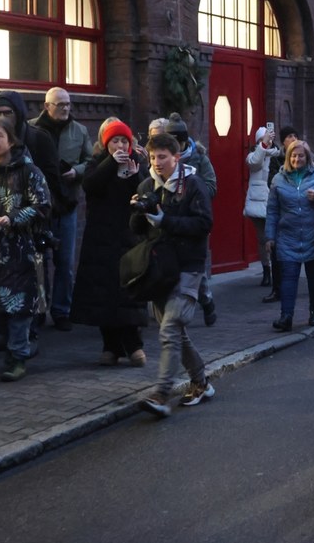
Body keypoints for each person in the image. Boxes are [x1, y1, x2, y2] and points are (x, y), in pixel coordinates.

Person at [132, 132, 215, 417]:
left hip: (188, 267)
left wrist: (166, 220)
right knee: (175, 330)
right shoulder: (147, 185)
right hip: (158, 270)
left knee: (169, 329)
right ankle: (201, 382)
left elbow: (204, 224)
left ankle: (161, 394)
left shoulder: (193, 185)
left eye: (162, 157)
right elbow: (137, 230)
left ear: (176, 157)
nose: (156, 163)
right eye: (153, 157)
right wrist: (137, 211)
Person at [0, 115, 52, 382]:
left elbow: (42, 207)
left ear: (11, 139)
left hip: (21, 250)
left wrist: (14, 218)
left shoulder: (29, 171)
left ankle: (17, 358)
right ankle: (23, 341)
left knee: (19, 307)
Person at [70, 119, 149, 366]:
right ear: (106, 143)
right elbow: (90, 185)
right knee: (103, 293)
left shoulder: (137, 163)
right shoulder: (97, 164)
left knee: (128, 291)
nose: (120, 145)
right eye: (115, 140)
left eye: (124, 140)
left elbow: (146, 194)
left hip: (128, 237)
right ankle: (110, 347)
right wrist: (111, 163)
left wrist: (137, 176)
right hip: (100, 239)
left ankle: (134, 345)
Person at [30, 87, 94, 331]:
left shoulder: (79, 130)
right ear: (47, 106)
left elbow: (91, 161)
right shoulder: (32, 129)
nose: (66, 108)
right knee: (38, 262)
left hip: (66, 204)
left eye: (68, 104)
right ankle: (39, 309)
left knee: (65, 262)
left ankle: (61, 311)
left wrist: (75, 171)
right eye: (60, 104)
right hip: (38, 207)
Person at [265, 139, 314, 331]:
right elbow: (272, 210)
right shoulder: (278, 180)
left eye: (301, 155)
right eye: (294, 155)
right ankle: (286, 316)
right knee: (288, 277)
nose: (297, 159)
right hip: (287, 237)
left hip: (313, 235)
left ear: (307, 157)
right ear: (288, 158)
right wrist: (270, 236)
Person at [165, 113, 219, 325]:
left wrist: (191, 191)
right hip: (170, 221)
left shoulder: (200, 159)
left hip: (193, 220)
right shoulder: (162, 159)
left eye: (176, 141)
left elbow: (212, 187)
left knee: (195, 269)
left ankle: (205, 299)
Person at [262, 125, 300, 305]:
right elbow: (271, 183)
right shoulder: (276, 159)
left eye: (295, 135)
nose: (292, 139)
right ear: (283, 141)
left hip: (300, 215)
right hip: (282, 213)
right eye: (289, 136)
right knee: (277, 253)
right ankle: (277, 289)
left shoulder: (305, 156)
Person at [244, 126, 282, 287]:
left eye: (267, 138)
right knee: (263, 239)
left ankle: (278, 270)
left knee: (276, 238)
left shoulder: (278, 154)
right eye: (262, 139)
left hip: (277, 200)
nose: (266, 142)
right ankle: (267, 270)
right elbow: (254, 163)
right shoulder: (253, 155)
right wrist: (264, 146)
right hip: (259, 203)